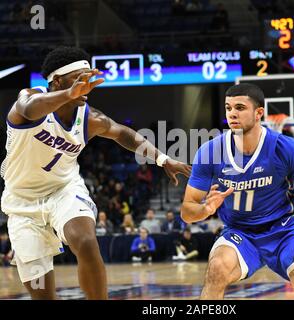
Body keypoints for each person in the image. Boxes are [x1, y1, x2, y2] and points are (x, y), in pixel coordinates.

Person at [0, 46, 191, 300]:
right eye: (79, 78)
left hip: (63, 190)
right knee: (42, 295)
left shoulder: (90, 119)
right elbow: (27, 108)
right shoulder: (29, 99)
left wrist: (162, 158)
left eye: (89, 78)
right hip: (22, 201)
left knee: (87, 241)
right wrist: (68, 94)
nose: (86, 84)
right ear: (57, 81)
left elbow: (123, 133)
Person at [181, 83, 294, 300]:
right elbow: (187, 211)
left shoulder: (286, 148)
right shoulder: (209, 152)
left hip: (285, 230)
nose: (232, 114)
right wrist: (205, 209)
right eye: (228, 108)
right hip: (240, 232)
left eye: (239, 108)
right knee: (217, 269)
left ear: (259, 113)